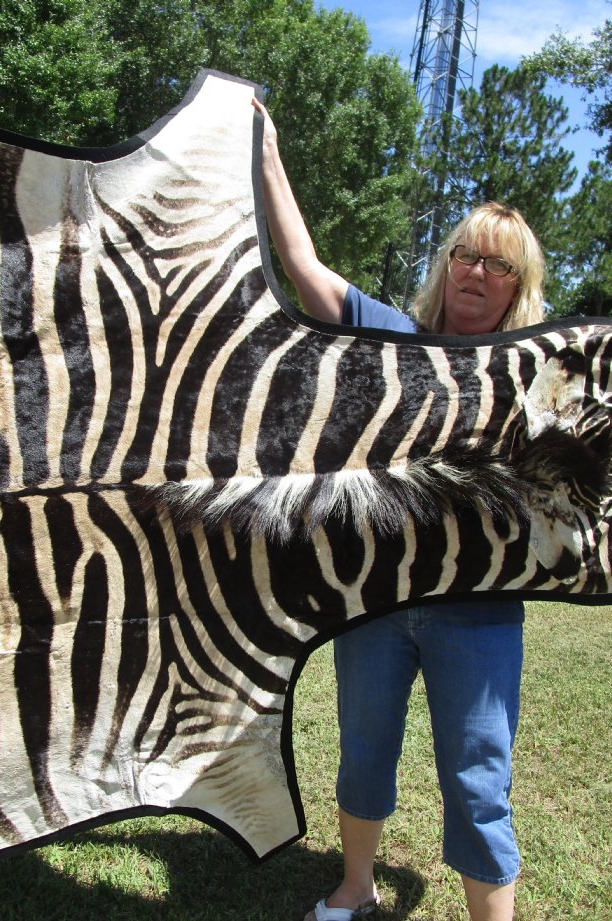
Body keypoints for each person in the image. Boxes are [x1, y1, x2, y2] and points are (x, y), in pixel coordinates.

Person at [251, 97, 546, 921]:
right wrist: (268, 149)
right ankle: (355, 888)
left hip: (479, 617)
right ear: (444, 263)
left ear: (518, 285)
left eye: (496, 264)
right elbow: (304, 267)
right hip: (377, 605)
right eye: (464, 254)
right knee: (362, 756)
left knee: (478, 779)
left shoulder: (532, 375)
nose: (474, 272)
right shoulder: (392, 338)